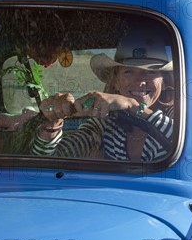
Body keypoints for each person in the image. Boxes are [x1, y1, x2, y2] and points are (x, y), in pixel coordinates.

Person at [31, 20, 174, 162]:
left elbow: (186, 143)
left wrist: (131, 105)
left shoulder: (179, 116)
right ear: (116, 81)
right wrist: (53, 122)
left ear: (164, 80)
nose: (140, 81)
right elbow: (50, 160)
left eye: (150, 72)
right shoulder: (106, 123)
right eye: (129, 72)